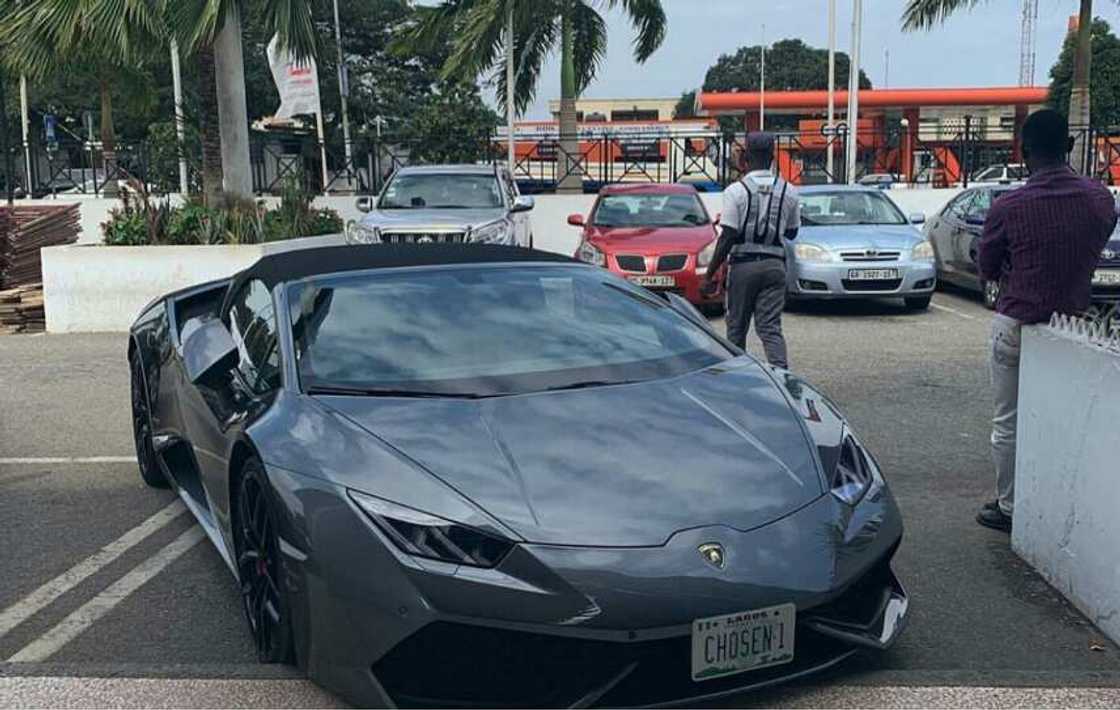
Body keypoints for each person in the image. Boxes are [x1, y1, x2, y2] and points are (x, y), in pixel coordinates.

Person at [974, 109, 1116, 533]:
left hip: (1018, 321)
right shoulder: (1099, 199)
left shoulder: (1009, 205)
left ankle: (1011, 506)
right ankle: (1058, 499)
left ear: (1023, 150)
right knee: (1066, 419)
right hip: (1074, 325)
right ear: (1070, 147)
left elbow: (986, 265)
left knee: (1009, 421)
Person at [702, 132, 800, 368]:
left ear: (745, 158)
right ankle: (782, 377)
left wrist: (709, 275)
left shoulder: (735, 191)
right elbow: (791, 233)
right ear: (772, 156)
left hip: (744, 266)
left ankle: (737, 377)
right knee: (770, 327)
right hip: (775, 265)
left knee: (736, 327)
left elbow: (728, 236)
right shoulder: (789, 191)